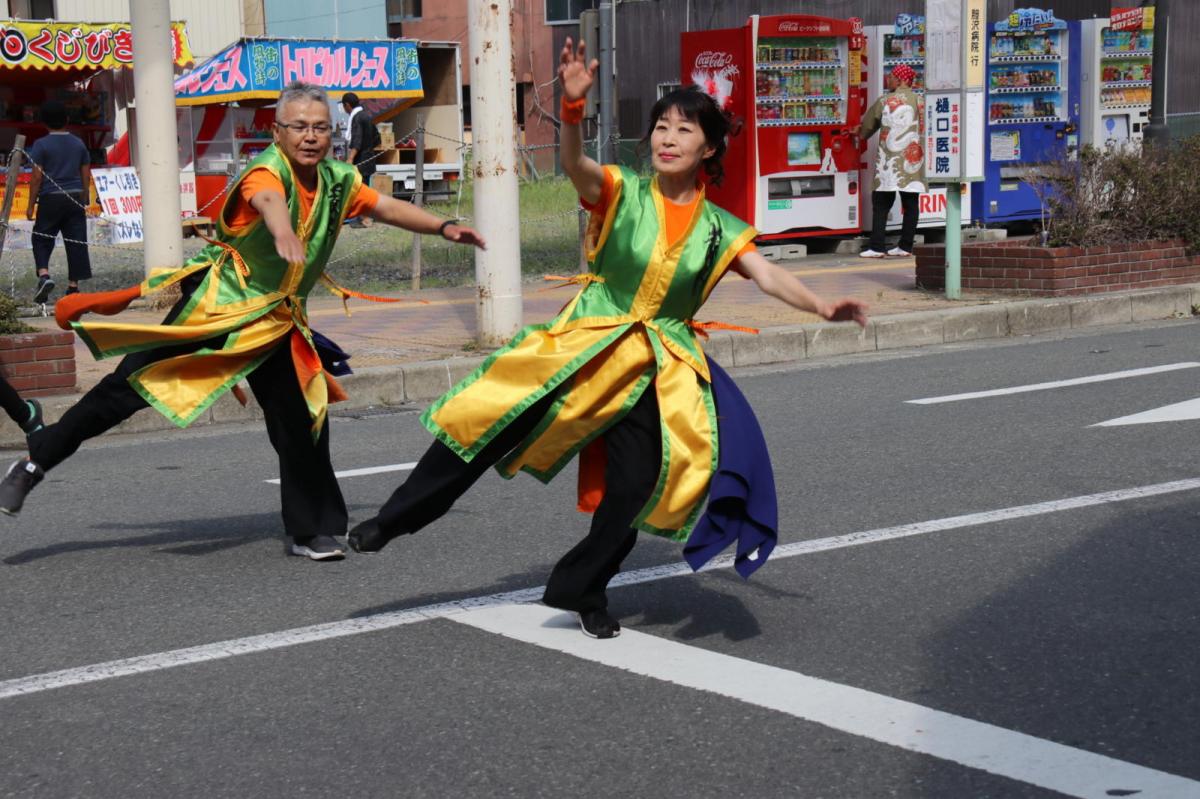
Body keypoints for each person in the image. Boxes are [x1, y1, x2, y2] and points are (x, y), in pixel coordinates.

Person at [344, 40, 868, 638]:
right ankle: (394, 519)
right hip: (588, 337)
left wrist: (823, 304)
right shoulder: (623, 190)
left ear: (710, 148)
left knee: (635, 486)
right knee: (487, 415)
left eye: (684, 130)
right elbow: (573, 165)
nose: (668, 138)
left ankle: (584, 588)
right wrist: (570, 110)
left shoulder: (722, 228)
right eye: (661, 127)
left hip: (659, 366)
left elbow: (769, 274)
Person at [0, 81, 485, 561]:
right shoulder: (264, 172)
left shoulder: (339, 181)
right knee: (124, 391)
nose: (311, 136)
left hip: (275, 322)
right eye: (299, 127)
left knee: (302, 419)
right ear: (278, 133)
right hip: (219, 310)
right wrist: (280, 232)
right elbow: (268, 200)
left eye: (320, 127)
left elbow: (387, 207)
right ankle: (35, 461)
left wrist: (444, 226)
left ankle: (312, 529)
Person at [26, 99, 93, 304]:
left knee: (41, 237)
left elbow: (37, 177)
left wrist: (30, 205)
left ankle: (44, 275)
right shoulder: (78, 143)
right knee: (76, 240)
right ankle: (73, 287)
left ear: (43, 122)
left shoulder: (41, 145)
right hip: (74, 197)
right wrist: (85, 197)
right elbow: (85, 172)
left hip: (50, 197)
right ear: (67, 119)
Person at [858, 64, 926, 259]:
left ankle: (877, 246)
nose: (888, 80)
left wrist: (860, 133)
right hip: (914, 159)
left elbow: (868, 124)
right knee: (911, 203)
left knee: (881, 202)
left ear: (900, 79)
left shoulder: (886, 100)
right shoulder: (920, 101)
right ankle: (905, 246)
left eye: (891, 77)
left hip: (889, 160)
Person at [341, 92, 380, 185]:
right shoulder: (367, 116)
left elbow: (356, 141)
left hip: (360, 162)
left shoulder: (357, 118)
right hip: (369, 160)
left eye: (343, 105)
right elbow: (377, 139)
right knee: (366, 188)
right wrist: (368, 148)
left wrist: (350, 158)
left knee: (359, 190)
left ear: (347, 105)